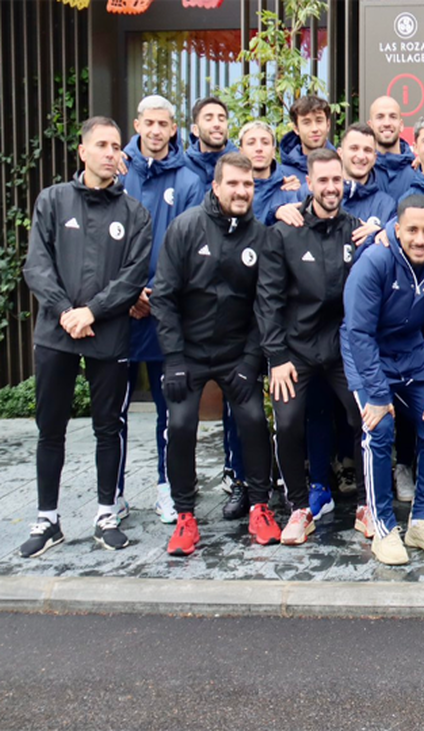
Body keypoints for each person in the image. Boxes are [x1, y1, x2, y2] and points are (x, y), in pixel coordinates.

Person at [19, 116, 152, 558]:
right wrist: (66, 314)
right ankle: (48, 519)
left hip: (108, 332)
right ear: (83, 151)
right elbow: (37, 266)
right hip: (57, 333)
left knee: (107, 427)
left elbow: (134, 276)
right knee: (50, 427)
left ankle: (105, 514)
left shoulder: (134, 213)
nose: (112, 153)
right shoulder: (53, 201)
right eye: (103, 145)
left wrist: (92, 312)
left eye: (117, 146)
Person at [151, 152, 280, 556]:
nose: (242, 192)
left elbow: (266, 306)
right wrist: (173, 359)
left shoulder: (261, 237)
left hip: (235, 354)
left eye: (249, 185)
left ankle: (260, 506)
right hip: (188, 353)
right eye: (234, 184)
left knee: (254, 420)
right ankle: (186, 516)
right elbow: (165, 298)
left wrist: (249, 361)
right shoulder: (186, 227)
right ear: (217, 186)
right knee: (183, 424)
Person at [341, 194, 424, 565]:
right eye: (411, 230)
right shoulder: (375, 261)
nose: (420, 238)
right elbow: (359, 332)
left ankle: (422, 520)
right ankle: (383, 528)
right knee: (379, 430)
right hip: (368, 355)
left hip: (411, 355)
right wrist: (378, 396)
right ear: (396, 230)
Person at [254, 148, 368, 545]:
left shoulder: (357, 231)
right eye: (323, 181)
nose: (331, 187)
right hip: (295, 351)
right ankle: (299, 509)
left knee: (364, 418)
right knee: (286, 423)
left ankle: (367, 507)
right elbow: (268, 300)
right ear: (309, 182)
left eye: (337, 180)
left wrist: (379, 232)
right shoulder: (284, 231)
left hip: (342, 350)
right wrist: (277, 358)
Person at [119, 95, 205, 525]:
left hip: (167, 313)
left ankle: (167, 487)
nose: (155, 130)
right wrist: (127, 293)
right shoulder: (117, 172)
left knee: (170, 411)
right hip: (117, 312)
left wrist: (157, 293)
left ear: (174, 129)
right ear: (137, 124)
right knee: (112, 411)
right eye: (148, 122)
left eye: (164, 124)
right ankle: (110, 495)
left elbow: (190, 247)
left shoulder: (189, 180)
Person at [182, 96, 250, 498]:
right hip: (193, 324)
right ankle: (177, 494)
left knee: (242, 412)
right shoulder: (186, 175)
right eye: (208, 117)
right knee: (175, 417)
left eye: (222, 117)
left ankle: (240, 477)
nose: (216, 123)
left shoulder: (256, 207)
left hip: (236, 331)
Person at [239, 121, 305, 225]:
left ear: (273, 151)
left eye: (265, 143)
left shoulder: (290, 190)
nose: (259, 148)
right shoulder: (231, 192)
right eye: (251, 143)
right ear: (241, 151)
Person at [339, 122, 398, 227]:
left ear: (375, 158)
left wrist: (376, 234)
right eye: (354, 148)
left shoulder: (386, 206)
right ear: (340, 153)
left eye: (367, 150)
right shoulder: (317, 194)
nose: (361, 156)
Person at [368, 95, 417, 199]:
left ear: (401, 125)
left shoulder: (418, 170)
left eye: (393, 117)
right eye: (380, 117)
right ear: (370, 126)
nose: (386, 123)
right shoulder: (363, 170)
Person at [278, 95, 335, 181]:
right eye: (307, 123)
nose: (314, 129)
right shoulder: (282, 175)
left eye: (319, 121)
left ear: (328, 125)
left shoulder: (343, 166)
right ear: (296, 129)